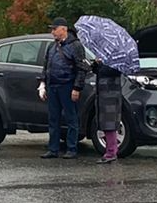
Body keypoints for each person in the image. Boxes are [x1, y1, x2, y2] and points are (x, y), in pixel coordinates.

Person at [39, 17, 89, 160]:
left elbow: (81, 69)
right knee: (53, 119)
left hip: (67, 85)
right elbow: (46, 66)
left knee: (71, 118)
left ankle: (72, 148)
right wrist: (42, 83)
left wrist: (77, 88)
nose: (52, 32)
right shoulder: (52, 47)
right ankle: (53, 149)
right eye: (52, 29)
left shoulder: (75, 46)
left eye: (55, 29)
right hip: (53, 86)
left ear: (63, 29)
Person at [91, 59, 124, 163]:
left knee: (110, 124)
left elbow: (110, 71)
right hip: (103, 94)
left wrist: (101, 65)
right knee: (105, 124)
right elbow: (97, 71)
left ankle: (111, 152)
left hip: (111, 95)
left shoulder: (117, 61)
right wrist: (96, 65)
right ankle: (110, 150)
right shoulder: (106, 59)